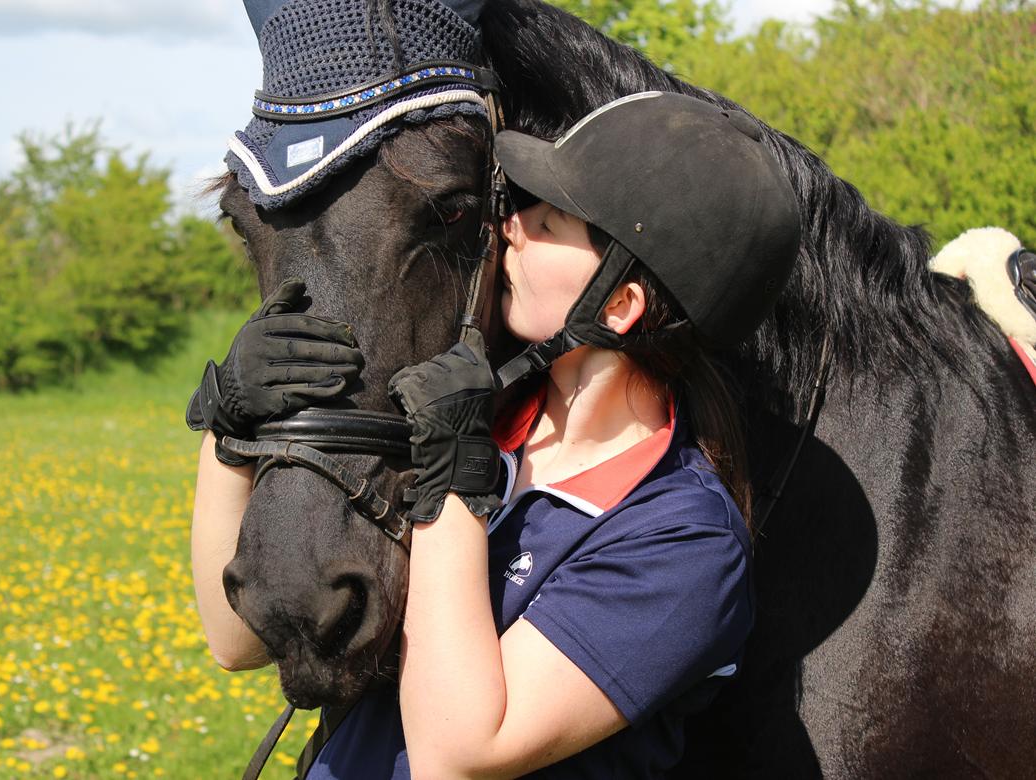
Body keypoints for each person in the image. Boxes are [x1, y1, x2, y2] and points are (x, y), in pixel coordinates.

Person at [190, 90, 801, 776]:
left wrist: (453, 486)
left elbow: (458, 753)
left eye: (546, 221)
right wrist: (231, 431)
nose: (507, 228)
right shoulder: (483, 422)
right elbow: (236, 640)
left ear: (621, 304)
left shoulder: (682, 543)